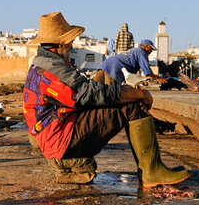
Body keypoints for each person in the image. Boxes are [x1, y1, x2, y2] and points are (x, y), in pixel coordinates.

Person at [23, 12, 190, 187]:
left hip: (53, 138)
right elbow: (88, 94)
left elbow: (81, 93)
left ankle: (151, 168)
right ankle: (152, 171)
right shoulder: (52, 68)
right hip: (60, 140)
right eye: (69, 41)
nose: (72, 45)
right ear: (60, 45)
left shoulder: (41, 63)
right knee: (132, 106)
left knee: (123, 98)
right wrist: (139, 94)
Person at [95, 40, 167, 87]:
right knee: (110, 93)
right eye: (151, 49)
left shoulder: (134, 50)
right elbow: (147, 71)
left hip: (105, 64)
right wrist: (158, 78)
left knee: (95, 89)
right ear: (146, 47)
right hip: (114, 68)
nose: (151, 51)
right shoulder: (142, 52)